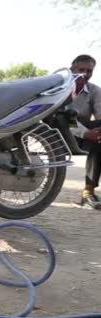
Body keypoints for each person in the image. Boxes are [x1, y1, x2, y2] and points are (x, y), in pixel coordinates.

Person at [70, 54, 101, 210]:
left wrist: (97, 131)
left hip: (83, 134)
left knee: (100, 134)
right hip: (58, 133)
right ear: (72, 70)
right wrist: (87, 133)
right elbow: (60, 117)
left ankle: (88, 192)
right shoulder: (62, 87)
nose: (85, 74)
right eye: (81, 70)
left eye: (89, 71)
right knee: (62, 117)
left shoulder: (95, 90)